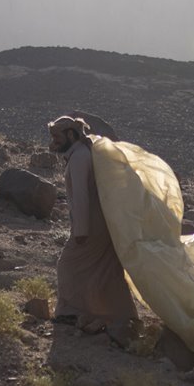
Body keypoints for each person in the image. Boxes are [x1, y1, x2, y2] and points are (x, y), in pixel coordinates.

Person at [48, 114, 136, 338]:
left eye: (57, 136)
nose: (53, 141)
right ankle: (121, 317)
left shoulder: (79, 158)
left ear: (70, 134)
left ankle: (70, 312)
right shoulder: (81, 153)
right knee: (105, 269)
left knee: (67, 265)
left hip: (92, 223)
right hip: (103, 221)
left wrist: (81, 231)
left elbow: (82, 197)